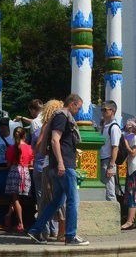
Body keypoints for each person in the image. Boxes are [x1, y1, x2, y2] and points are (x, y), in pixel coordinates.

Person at [27, 94, 89, 247]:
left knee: (57, 201)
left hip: (58, 165)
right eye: (78, 108)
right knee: (73, 200)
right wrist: (61, 163)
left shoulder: (58, 116)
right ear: (72, 104)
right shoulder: (62, 116)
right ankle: (70, 236)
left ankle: (36, 230)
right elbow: (55, 140)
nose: (78, 111)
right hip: (64, 166)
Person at [32, 99, 64, 241]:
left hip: (43, 166)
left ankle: (45, 232)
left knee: (45, 200)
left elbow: (37, 146)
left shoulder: (46, 124)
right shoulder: (51, 124)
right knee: (52, 200)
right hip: (48, 166)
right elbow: (40, 145)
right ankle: (50, 231)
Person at [0, 126, 33, 232]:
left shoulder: (11, 148)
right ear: (24, 135)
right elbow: (31, 163)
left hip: (15, 172)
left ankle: (20, 223)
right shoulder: (29, 148)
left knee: (15, 198)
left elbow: (8, 164)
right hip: (25, 172)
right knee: (20, 198)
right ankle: (10, 216)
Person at [99, 100, 121, 202]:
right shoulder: (104, 125)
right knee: (105, 188)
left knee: (109, 190)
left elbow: (115, 147)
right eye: (102, 110)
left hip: (108, 160)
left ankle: (113, 209)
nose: (103, 112)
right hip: (103, 158)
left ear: (112, 111)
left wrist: (111, 166)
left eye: (105, 110)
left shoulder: (114, 127)